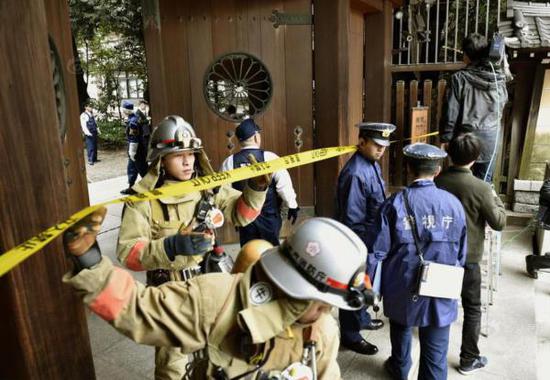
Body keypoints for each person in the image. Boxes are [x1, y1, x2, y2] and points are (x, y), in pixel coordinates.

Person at [63, 213, 379, 379]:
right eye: (323, 304)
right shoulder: (216, 299)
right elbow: (139, 310)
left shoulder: (321, 332)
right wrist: (91, 261)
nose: (326, 313)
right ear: (296, 290)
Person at [116, 115, 269, 380]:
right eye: (178, 155)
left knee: (218, 357)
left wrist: (256, 188)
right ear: (161, 159)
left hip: (210, 286)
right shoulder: (142, 200)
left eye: (191, 153)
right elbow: (128, 254)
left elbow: (241, 214)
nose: (188, 161)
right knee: (171, 367)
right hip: (169, 293)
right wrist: (171, 246)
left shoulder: (207, 188)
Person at [368, 143, 467, 380]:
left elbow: (377, 252)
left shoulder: (394, 204)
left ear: (409, 168)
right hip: (442, 285)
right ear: (438, 170)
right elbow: (461, 253)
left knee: (401, 330)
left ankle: (400, 370)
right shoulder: (453, 204)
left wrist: (372, 289)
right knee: (436, 353)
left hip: (402, 284)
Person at [435, 133, 506, 375]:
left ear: (449, 154)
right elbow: (498, 222)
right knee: (472, 308)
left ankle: (433, 354)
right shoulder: (482, 188)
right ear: (476, 158)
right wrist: (497, 201)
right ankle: (468, 358)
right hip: (469, 259)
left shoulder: (437, 181)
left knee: (440, 303)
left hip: (439, 257)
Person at [335, 122, 396, 355]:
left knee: (364, 284)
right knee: (354, 285)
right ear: (362, 142)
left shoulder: (371, 164)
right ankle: (350, 335)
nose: (381, 150)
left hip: (370, 237)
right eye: (377, 145)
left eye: (384, 146)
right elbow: (352, 218)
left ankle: (361, 318)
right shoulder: (355, 173)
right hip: (358, 239)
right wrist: (363, 248)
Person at [439, 33, 508, 182]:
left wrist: (446, 137)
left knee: (459, 180)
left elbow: (450, 112)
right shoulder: (499, 79)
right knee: (484, 183)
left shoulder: (459, 79)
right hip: (491, 139)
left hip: (465, 140)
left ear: (466, 54)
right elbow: (502, 105)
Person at [220, 119, 300, 246]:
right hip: (269, 216)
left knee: (248, 252)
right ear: (256, 137)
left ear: (240, 141)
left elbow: (223, 191)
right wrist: (292, 205)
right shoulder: (270, 158)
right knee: (270, 251)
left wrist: (233, 215)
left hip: (245, 217)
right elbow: (284, 186)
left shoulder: (229, 162)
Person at [121, 100, 148, 194]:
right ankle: (131, 187)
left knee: (143, 169)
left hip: (137, 150)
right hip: (136, 149)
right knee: (131, 169)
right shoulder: (132, 118)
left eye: (122, 109)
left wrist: (132, 152)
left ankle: (150, 186)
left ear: (125, 110)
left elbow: (134, 138)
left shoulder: (133, 122)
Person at [80, 101, 100, 165]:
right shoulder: (83, 115)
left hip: (94, 131)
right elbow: (83, 125)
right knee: (90, 146)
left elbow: (95, 123)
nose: (91, 108)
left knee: (94, 146)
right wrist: (87, 132)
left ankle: (94, 158)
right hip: (89, 132)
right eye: (89, 106)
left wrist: (98, 129)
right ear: (85, 107)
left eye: (91, 106)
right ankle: (90, 160)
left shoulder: (91, 114)